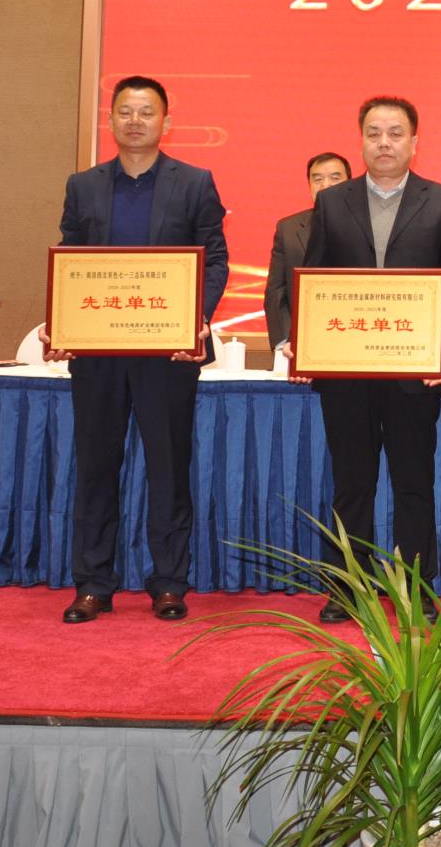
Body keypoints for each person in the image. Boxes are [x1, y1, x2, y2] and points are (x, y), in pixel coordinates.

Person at [49, 76, 229, 625]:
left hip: (167, 354)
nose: (135, 120)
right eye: (125, 111)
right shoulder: (83, 186)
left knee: (168, 469)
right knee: (95, 468)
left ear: (166, 122)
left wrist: (196, 320)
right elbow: (70, 260)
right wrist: (63, 323)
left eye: (146, 112)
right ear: (110, 120)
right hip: (98, 353)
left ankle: (169, 582)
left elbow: (215, 259)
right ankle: (93, 584)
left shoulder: (195, 183)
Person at [298, 96, 441, 623]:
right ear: (361, 141)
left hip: (413, 371)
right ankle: (346, 588)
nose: (384, 143)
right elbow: (314, 279)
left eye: (395, 133)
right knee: (352, 483)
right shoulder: (333, 203)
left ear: (414, 142)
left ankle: (417, 588)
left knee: (413, 482)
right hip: (347, 371)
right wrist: (309, 341)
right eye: (374, 133)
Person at [264, 152, 352, 356]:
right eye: (317, 179)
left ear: (350, 184)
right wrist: (287, 342)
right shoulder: (288, 228)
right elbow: (277, 291)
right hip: (300, 344)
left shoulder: (368, 226)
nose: (325, 185)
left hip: (357, 336)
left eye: (335, 178)